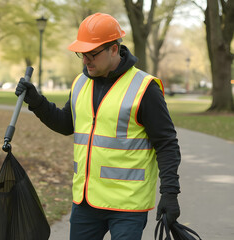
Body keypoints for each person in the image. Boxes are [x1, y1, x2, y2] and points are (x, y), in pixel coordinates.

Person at [15, 13, 181, 240]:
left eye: (92, 54)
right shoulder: (80, 82)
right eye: (82, 54)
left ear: (114, 49)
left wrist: (170, 193)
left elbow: (166, 144)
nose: (86, 60)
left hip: (127, 206)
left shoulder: (144, 88)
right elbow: (66, 124)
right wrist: (36, 101)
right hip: (86, 202)